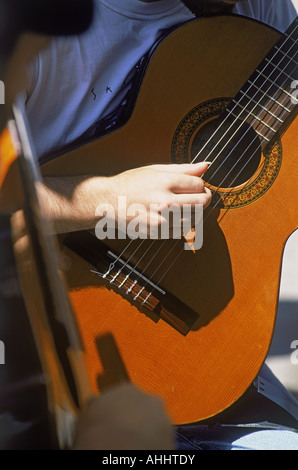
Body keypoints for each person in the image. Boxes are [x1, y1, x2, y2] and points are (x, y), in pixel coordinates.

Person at [4, 0, 298, 450]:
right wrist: (101, 199)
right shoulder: (33, 24)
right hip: (47, 349)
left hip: (207, 356)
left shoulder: (254, 5)